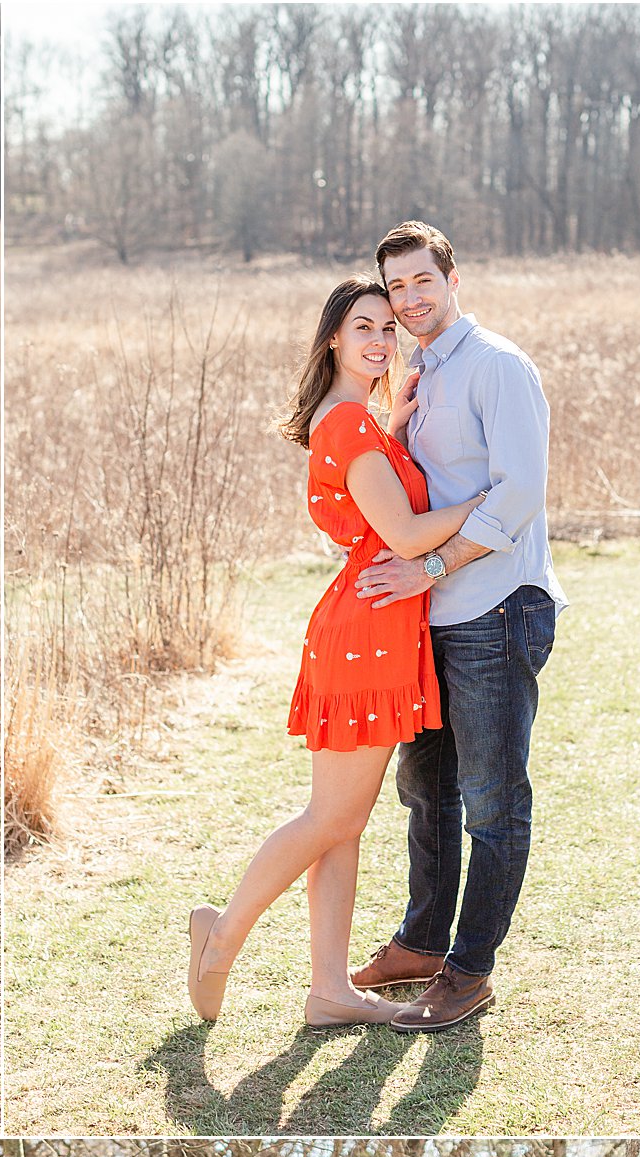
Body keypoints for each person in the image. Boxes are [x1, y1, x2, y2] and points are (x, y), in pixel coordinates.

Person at [188, 277, 486, 1028]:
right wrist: (492, 499)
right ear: (333, 338)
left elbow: (378, 502)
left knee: (341, 820)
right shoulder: (349, 426)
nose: (383, 341)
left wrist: (396, 419)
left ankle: (329, 989)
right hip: (369, 630)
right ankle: (223, 937)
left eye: (390, 328)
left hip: (369, 621)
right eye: (365, 327)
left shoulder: (353, 418)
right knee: (329, 818)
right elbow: (411, 537)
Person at [350, 220, 566, 1031]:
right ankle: (420, 941)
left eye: (420, 282)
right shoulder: (423, 372)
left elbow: (518, 495)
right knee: (425, 788)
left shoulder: (497, 366)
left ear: (451, 277)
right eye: (395, 286)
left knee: (492, 801)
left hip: (495, 608)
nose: (408, 300)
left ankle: (469, 971)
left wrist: (431, 567)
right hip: (432, 615)